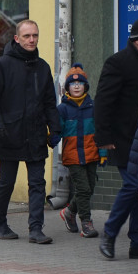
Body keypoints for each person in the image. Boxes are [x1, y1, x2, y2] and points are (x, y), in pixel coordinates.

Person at [0, 20, 60, 244]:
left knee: (37, 184)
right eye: (26, 36)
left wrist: (54, 128)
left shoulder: (42, 67)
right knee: (6, 182)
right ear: (17, 38)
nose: (31, 40)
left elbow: (49, 102)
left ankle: (36, 229)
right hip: (9, 133)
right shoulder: (3, 64)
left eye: (35, 35)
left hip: (35, 134)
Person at [96, 16, 138, 260]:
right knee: (133, 185)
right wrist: (103, 137)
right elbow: (103, 102)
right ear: (137, 41)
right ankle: (110, 233)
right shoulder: (118, 63)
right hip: (122, 139)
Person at [56, 63, 100, 239]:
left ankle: (69, 212)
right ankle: (86, 222)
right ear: (67, 87)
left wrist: (103, 154)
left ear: (85, 86)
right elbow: (56, 129)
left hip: (91, 153)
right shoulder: (63, 109)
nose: (76, 86)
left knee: (89, 188)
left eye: (80, 83)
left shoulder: (93, 106)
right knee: (82, 188)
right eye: (73, 84)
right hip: (73, 155)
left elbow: (100, 132)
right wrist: (51, 139)